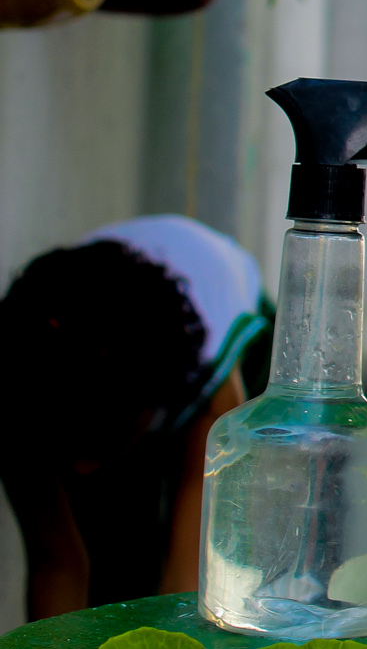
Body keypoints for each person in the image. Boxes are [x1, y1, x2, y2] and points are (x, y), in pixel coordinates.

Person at [0, 215, 266, 622]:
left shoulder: (211, 388)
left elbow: (185, 578)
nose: (84, 468)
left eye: (105, 439)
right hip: (102, 377)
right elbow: (56, 561)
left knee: (163, 562)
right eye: (69, 441)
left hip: (234, 348)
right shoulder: (21, 386)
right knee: (110, 549)